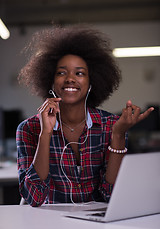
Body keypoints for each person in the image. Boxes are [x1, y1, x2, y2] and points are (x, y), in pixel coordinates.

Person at [16, 24, 154, 207]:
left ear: (91, 83)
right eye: (61, 73)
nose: (70, 78)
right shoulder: (28, 128)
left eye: (79, 73)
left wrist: (118, 135)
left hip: (97, 227)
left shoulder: (111, 125)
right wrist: (45, 133)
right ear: (50, 80)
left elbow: (111, 196)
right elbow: (34, 198)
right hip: (48, 226)